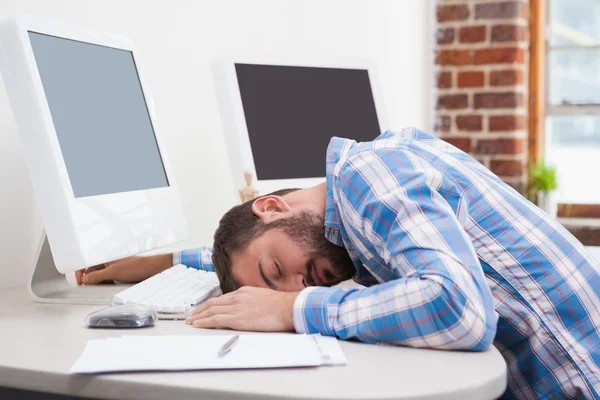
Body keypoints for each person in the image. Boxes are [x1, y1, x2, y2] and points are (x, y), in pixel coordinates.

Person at [77, 127, 600, 399]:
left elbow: (460, 312)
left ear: (271, 204)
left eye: (275, 273)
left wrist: (292, 309)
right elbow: (263, 250)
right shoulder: (351, 210)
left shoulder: (369, 175)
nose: (295, 282)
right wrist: (158, 262)